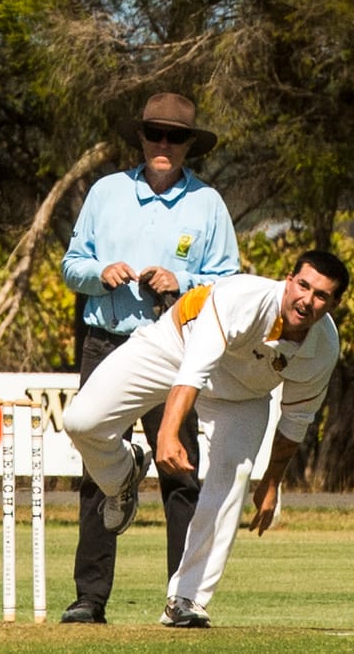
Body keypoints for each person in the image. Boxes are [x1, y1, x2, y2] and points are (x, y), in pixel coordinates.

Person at [63, 250, 350, 628]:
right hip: (176, 344)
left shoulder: (324, 347)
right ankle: (122, 475)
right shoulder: (243, 298)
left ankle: (186, 599)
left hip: (242, 395)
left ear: (333, 304)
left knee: (233, 477)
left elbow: (296, 419)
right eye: (303, 286)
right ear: (288, 279)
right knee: (81, 421)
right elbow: (194, 371)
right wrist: (166, 435)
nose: (307, 300)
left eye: (321, 295)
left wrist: (272, 483)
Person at [59, 92, 240, 624]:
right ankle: (90, 598)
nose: (164, 144)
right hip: (107, 342)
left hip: (176, 348)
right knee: (97, 470)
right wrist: (100, 273)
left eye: (175, 136)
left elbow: (229, 283)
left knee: (180, 471)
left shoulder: (208, 203)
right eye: (155, 133)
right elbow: (72, 265)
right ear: (140, 137)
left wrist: (180, 280)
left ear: (189, 145)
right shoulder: (106, 192)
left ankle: (183, 600)